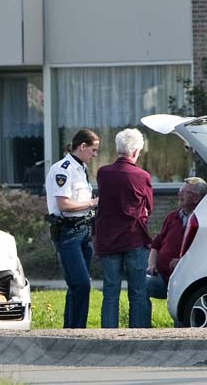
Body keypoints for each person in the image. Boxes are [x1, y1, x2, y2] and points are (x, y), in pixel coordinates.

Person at [94, 128, 154, 329]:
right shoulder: (142, 176)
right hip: (133, 238)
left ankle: (108, 335)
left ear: (117, 148)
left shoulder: (103, 174)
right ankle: (140, 334)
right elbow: (149, 206)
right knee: (138, 291)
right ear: (136, 151)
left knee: (110, 291)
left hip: (108, 240)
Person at [44, 128, 100, 328]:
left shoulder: (81, 169)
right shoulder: (64, 169)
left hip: (83, 230)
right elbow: (64, 205)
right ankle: (77, 332)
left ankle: (72, 330)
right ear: (82, 146)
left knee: (77, 287)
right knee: (81, 284)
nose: (95, 155)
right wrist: (92, 204)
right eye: (93, 150)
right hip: (68, 232)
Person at [146, 177, 207, 300]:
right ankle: (141, 320)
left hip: (189, 281)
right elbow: (156, 244)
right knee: (141, 284)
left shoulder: (205, 221)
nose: (179, 194)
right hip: (162, 278)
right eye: (180, 190)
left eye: (185, 192)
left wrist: (182, 261)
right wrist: (152, 265)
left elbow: (206, 252)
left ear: (196, 198)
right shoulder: (172, 217)